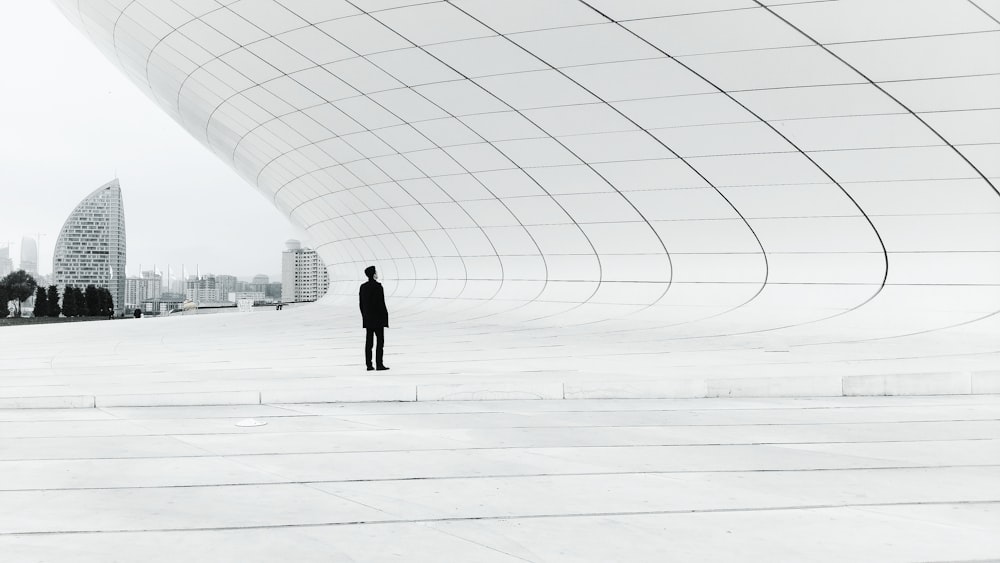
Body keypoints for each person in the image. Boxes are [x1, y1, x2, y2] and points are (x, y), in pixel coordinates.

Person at [359, 265, 389, 371]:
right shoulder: (378, 286)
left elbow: (361, 305)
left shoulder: (363, 287)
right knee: (380, 343)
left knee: (369, 343)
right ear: (374, 274)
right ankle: (379, 364)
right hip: (378, 319)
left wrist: (365, 316)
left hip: (368, 319)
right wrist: (385, 318)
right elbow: (381, 304)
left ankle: (369, 365)